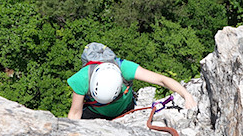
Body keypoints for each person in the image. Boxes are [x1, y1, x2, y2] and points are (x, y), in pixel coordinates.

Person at [67, 51, 197, 120]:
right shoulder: (81, 79)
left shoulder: (125, 68)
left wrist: (186, 95)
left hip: (125, 109)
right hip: (95, 113)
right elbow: (74, 114)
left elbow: (161, 80)